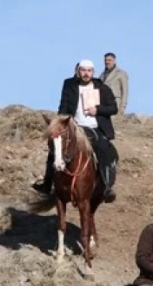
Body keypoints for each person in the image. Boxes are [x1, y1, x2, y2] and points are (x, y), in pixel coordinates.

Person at [31, 60, 119, 203]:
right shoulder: (69, 85)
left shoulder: (102, 88)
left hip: (94, 128)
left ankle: (107, 186)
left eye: (89, 71)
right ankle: (47, 184)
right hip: (74, 126)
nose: (86, 73)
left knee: (105, 149)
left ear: (93, 72)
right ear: (78, 71)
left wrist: (97, 110)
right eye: (83, 70)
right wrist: (60, 122)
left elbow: (113, 108)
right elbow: (63, 105)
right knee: (56, 146)